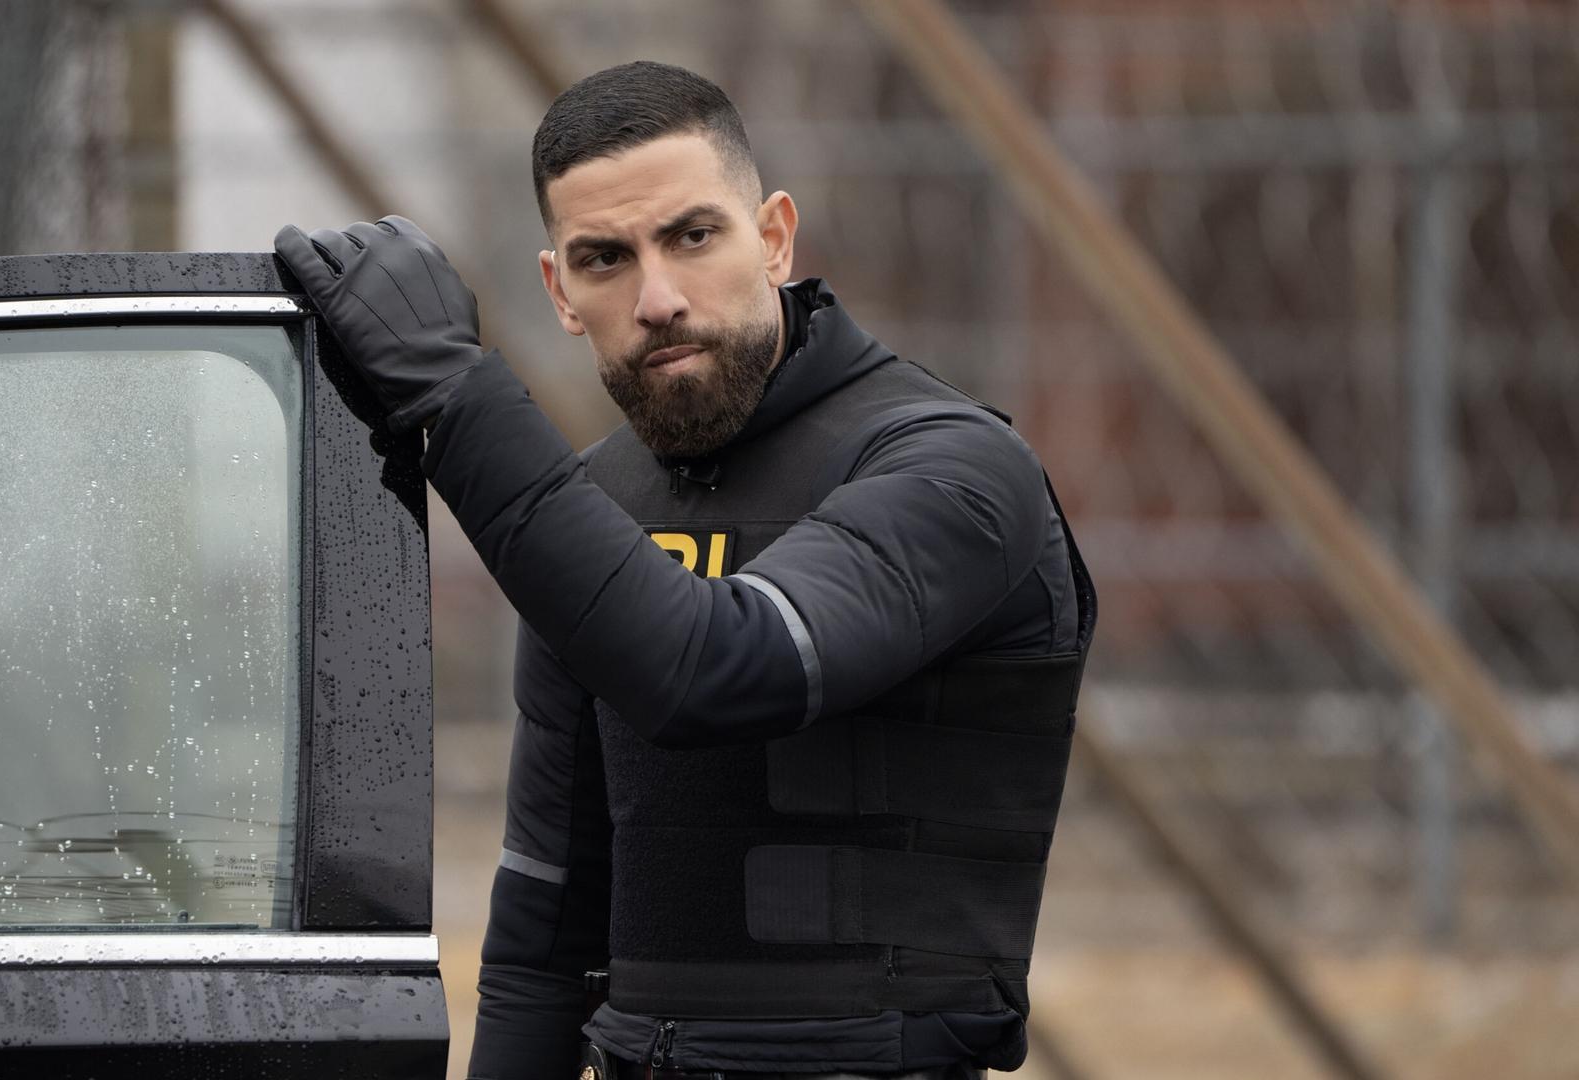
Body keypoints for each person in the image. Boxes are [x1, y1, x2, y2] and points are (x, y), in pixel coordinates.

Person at [277, 60, 1094, 1080]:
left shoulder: (954, 468)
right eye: (605, 258)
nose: (657, 297)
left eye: (694, 236)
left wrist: (456, 400)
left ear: (775, 237)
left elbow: (720, 670)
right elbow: (546, 921)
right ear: (561, 292)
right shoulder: (596, 505)